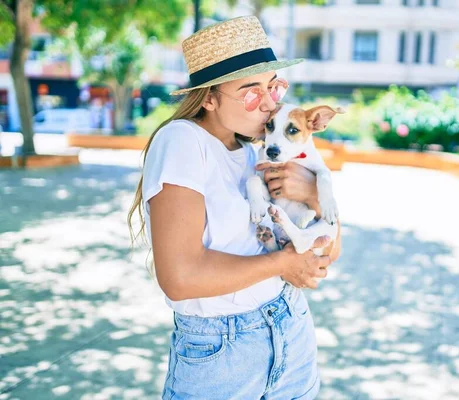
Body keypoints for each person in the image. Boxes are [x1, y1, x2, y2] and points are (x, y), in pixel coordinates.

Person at [127, 16, 342, 400]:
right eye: (250, 92)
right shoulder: (182, 141)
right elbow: (179, 277)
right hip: (222, 354)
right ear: (208, 98)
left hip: (291, 328)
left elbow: (329, 252)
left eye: (273, 87)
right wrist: (283, 264)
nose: (269, 103)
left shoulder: (255, 150)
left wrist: (314, 196)